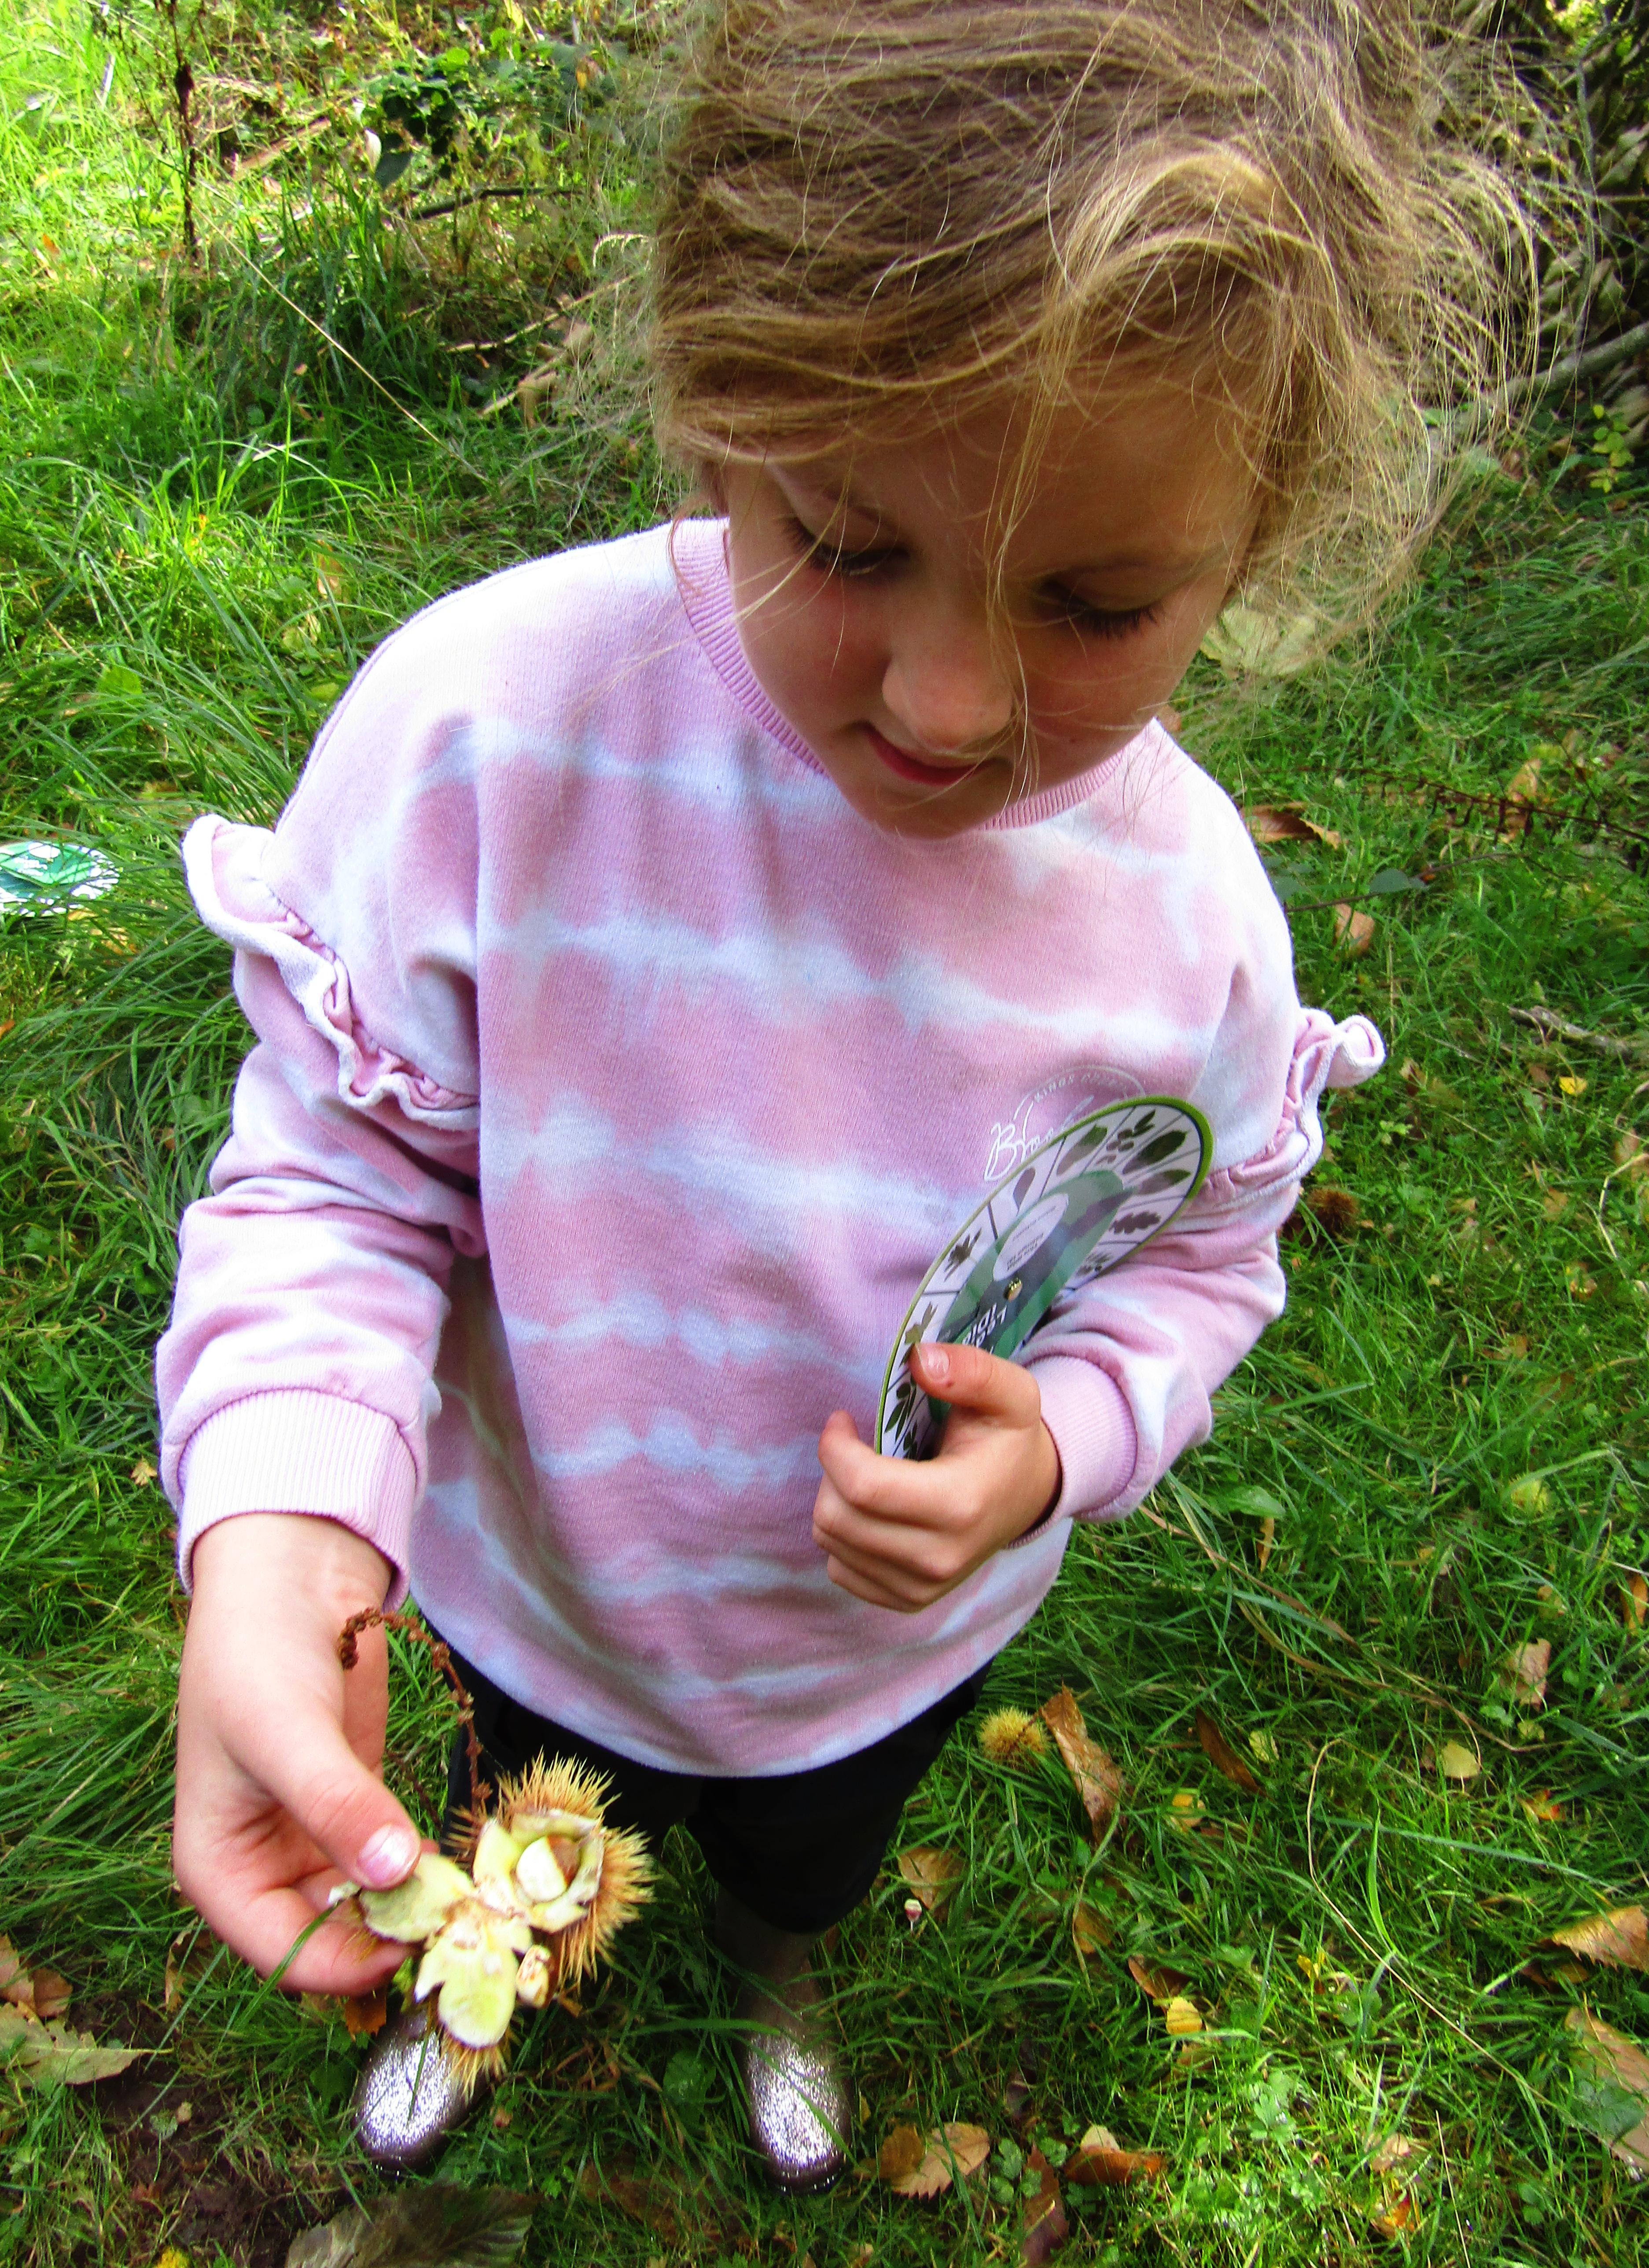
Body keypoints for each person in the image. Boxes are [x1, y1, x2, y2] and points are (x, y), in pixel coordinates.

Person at [158, 0, 1526, 2192]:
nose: (951, 700)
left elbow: (1201, 1255)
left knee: (803, 1855)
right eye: (848, 540)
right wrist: (285, 1522)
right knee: (513, 1830)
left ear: (1253, 542)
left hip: (861, 1664)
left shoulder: (1192, 931)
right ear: (718, 406)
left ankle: (778, 1969)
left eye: (1094, 604)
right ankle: (475, 1972)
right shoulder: (487, 741)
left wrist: (1063, 1445)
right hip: (526, 1590)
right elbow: (342, 1177)